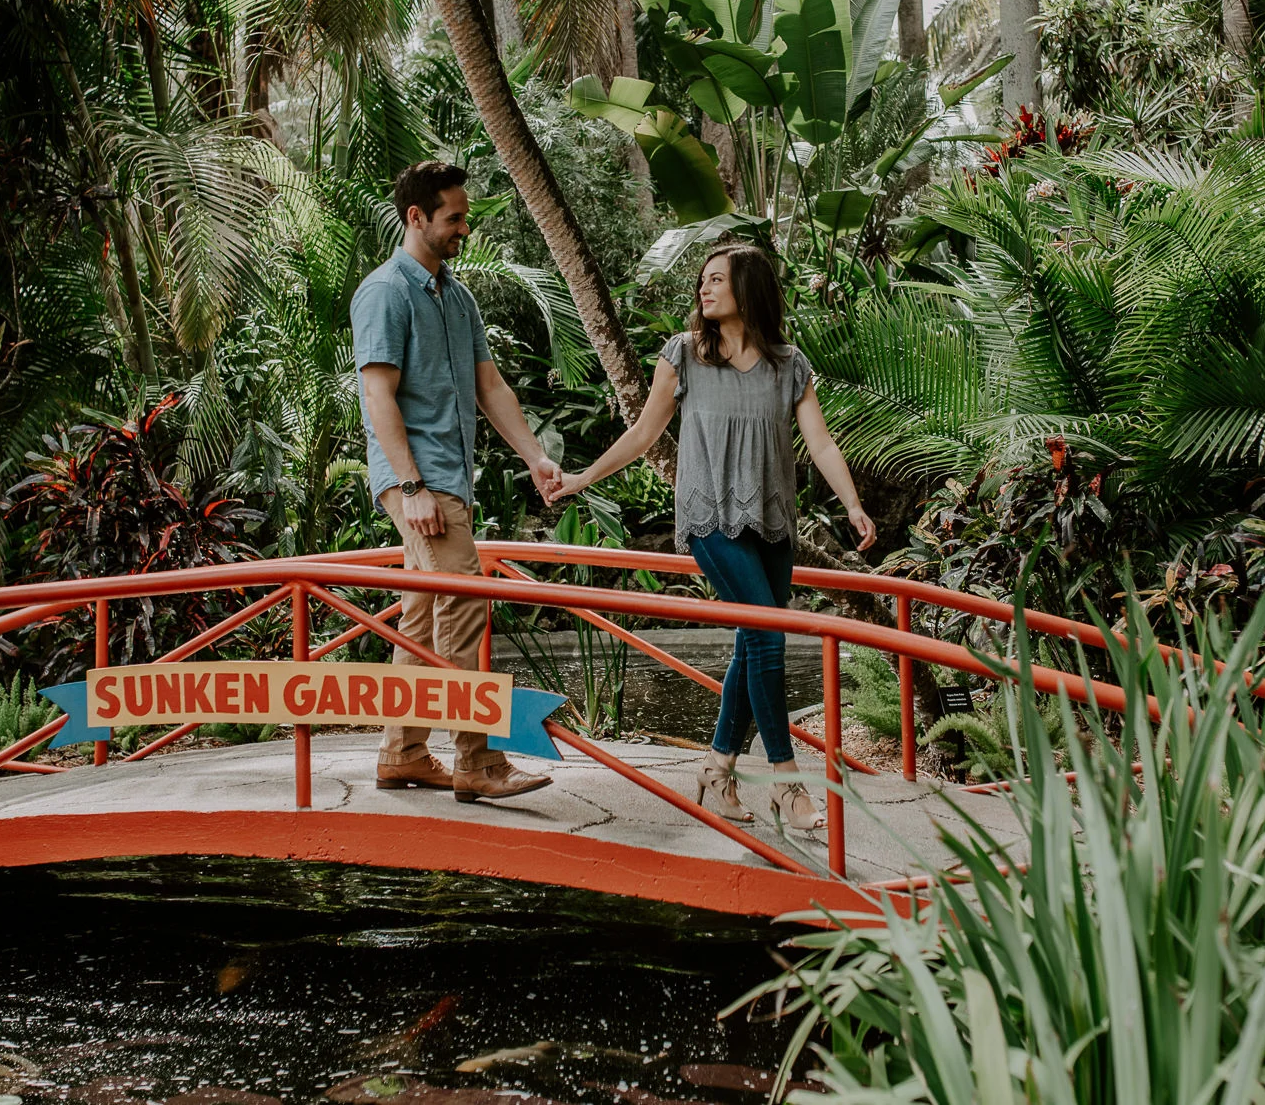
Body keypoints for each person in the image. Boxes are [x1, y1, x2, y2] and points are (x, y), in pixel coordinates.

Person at [550, 243, 876, 834]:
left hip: (773, 525)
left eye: (717, 280)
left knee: (755, 641)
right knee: (768, 635)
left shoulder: (789, 365)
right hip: (710, 520)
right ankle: (785, 781)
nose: (704, 289)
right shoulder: (685, 356)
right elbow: (645, 434)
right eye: (702, 280)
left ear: (747, 288)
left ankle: (716, 770)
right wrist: (580, 478)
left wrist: (853, 504)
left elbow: (821, 443)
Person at [352, 160, 562, 803]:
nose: (464, 228)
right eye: (454, 218)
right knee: (466, 606)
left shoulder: (457, 295)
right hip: (420, 482)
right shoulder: (386, 292)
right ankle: (479, 762)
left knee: (419, 619)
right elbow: (377, 395)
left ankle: (403, 752)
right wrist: (411, 488)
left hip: (449, 478)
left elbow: (489, 385)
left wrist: (533, 456)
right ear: (416, 217)